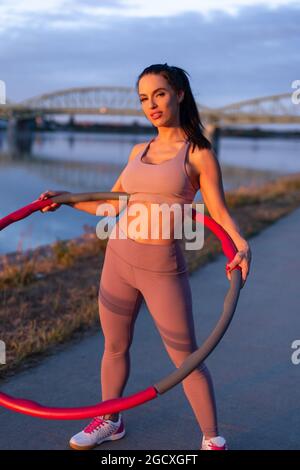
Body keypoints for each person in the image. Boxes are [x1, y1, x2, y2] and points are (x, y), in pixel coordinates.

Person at [38, 63, 252, 451]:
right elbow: (109, 202)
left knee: (186, 358)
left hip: (162, 268)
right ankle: (110, 418)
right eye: (143, 98)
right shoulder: (140, 149)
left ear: (179, 94)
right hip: (118, 259)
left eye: (159, 94)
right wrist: (65, 199)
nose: (150, 104)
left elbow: (218, 212)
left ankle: (211, 438)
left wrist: (239, 244)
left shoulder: (199, 152)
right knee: (114, 346)